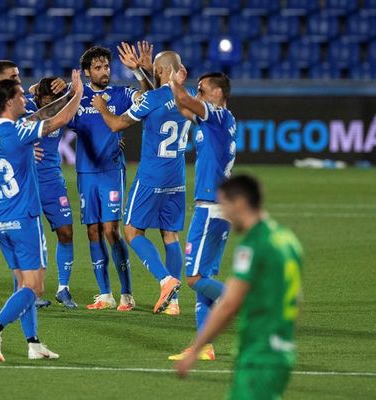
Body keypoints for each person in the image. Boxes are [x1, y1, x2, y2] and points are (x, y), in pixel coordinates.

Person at [0, 70, 83, 362]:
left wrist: (56, 95)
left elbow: (37, 117)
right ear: (9, 102)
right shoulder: (18, 130)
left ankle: (33, 343)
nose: (26, 98)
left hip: (3, 220)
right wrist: (76, 93)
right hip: (25, 218)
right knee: (34, 287)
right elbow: (58, 120)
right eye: (21, 95)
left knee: (22, 284)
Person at [176, 175, 303, 400]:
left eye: (225, 205)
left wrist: (195, 350)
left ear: (240, 203)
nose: (224, 213)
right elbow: (296, 298)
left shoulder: (254, 244)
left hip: (259, 353)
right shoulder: (287, 239)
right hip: (282, 349)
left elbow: (229, 305)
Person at [0, 60, 66, 310]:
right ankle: (27, 293)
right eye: (13, 77)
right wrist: (71, 91)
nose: (19, 81)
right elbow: (45, 114)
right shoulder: (10, 107)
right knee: (19, 236)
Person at [92, 50, 190, 314]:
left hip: (151, 176)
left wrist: (101, 108)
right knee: (170, 235)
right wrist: (143, 71)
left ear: (159, 72)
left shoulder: (154, 98)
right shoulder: (187, 97)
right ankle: (174, 303)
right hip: (176, 176)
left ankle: (166, 280)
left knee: (132, 231)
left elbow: (115, 124)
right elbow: (158, 95)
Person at [67, 44, 152, 311]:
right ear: (86, 71)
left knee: (110, 230)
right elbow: (52, 118)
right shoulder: (77, 100)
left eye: (106, 66)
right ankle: (105, 294)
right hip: (85, 172)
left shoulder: (121, 94)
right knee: (92, 231)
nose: (105, 71)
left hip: (111, 172)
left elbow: (150, 97)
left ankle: (126, 293)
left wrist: (139, 72)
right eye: (98, 67)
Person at [168, 68, 237, 361]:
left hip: (210, 207)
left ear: (217, 93)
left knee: (194, 278)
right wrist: (147, 75)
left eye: (202, 89)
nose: (198, 94)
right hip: (220, 208)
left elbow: (183, 97)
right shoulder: (221, 121)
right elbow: (183, 105)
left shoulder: (218, 116)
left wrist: (175, 79)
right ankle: (204, 346)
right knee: (203, 279)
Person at [28, 78, 77, 308]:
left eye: (54, 103)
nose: (51, 110)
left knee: (66, 233)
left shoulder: (62, 107)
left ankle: (63, 289)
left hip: (52, 181)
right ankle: (31, 291)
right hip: (28, 182)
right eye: (47, 103)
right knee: (31, 239)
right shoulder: (24, 108)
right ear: (37, 99)